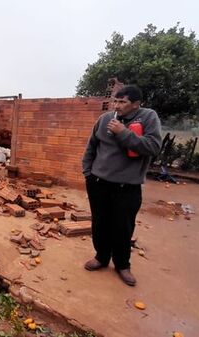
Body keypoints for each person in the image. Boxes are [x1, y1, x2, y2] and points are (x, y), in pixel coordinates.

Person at [81, 85, 161, 286]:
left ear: (136, 104)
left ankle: (122, 265)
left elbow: (153, 147)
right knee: (100, 223)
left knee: (123, 227)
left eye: (122, 102)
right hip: (99, 183)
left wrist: (123, 133)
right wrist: (88, 173)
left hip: (127, 186)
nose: (117, 106)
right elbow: (92, 147)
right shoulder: (105, 119)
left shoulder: (148, 117)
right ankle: (101, 257)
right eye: (115, 101)